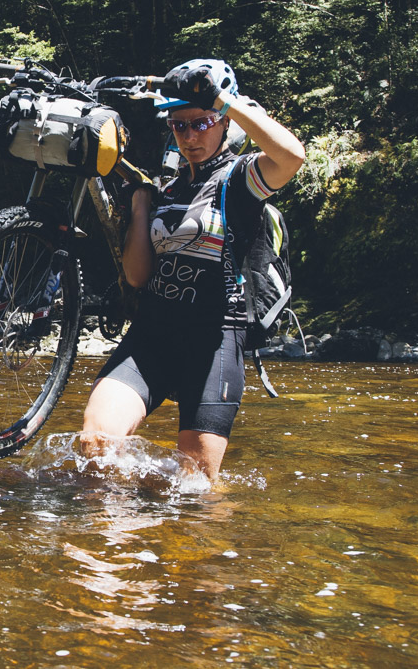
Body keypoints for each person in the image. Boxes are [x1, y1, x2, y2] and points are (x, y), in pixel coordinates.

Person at [80, 59, 306, 480]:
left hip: (214, 342)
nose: (190, 136)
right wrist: (143, 206)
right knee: (95, 446)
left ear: (222, 121)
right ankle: (113, 541)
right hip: (152, 335)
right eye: (179, 126)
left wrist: (223, 98)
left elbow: (292, 157)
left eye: (201, 122)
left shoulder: (239, 180)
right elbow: (135, 276)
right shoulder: (166, 188)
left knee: (195, 487)